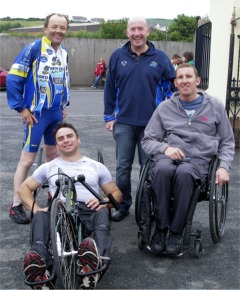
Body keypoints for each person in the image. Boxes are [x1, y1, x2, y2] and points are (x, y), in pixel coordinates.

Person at [141, 63, 235, 255]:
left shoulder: (214, 106)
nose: (184, 81)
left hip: (198, 161)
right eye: (180, 78)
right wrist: (165, 147)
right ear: (175, 83)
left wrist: (224, 166)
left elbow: (227, 141)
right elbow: (148, 140)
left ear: (197, 81)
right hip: (168, 158)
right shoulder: (165, 108)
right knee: (162, 170)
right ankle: (161, 228)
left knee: (184, 173)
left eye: (188, 77)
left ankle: (176, 231)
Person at [19, 122, 122, 289]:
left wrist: (103, 201)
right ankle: (40, 272)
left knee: (102, 213)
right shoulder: (49, 167)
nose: (66, 140)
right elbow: (24, 188)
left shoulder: (95, 166)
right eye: (61, 138)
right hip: (60, 211)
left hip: (90, 209)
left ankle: (92, 268)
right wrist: (36, 208)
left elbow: (116, 194)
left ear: (78, 139)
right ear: (57, 144)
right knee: (39, 217)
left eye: (69, 136)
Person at [103, 16, 175, 221]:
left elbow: (170, 88)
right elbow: (109, 87)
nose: (137, 33)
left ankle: (145, 207)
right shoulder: (117, 56)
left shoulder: (160, 57)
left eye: (140, 29)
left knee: (148, 170)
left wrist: (168, 116)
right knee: (122, 169)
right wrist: (109, 115)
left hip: (152, 126)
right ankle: (123, 205)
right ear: (127, 32)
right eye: (133, 29)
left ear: (148, 31)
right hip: (123, 122)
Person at [6, 13, 71, 224]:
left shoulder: (63, 52)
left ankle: (53, 195)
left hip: (55, 113)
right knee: (28, 159)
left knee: (54, 156)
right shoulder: (33, 48)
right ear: (45, 28)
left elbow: (62, 81)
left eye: (62, 27)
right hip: (35, 114)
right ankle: (16, 204)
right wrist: (21, 108)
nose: (58, 31)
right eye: (54, 27)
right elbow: (14, 78)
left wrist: (62, 105)